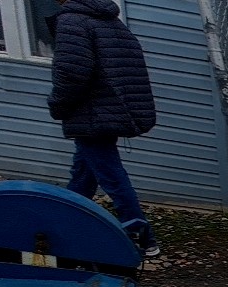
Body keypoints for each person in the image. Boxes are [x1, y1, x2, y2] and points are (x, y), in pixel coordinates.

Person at [47, 0, 159, 257]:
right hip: (109, 108)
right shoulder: (107, 19)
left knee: (111, 175)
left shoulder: (72, 20)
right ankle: (68, 226)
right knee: (83, 174)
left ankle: (142, 237)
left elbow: (71, 72)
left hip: (93, 112)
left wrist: (58, 105)